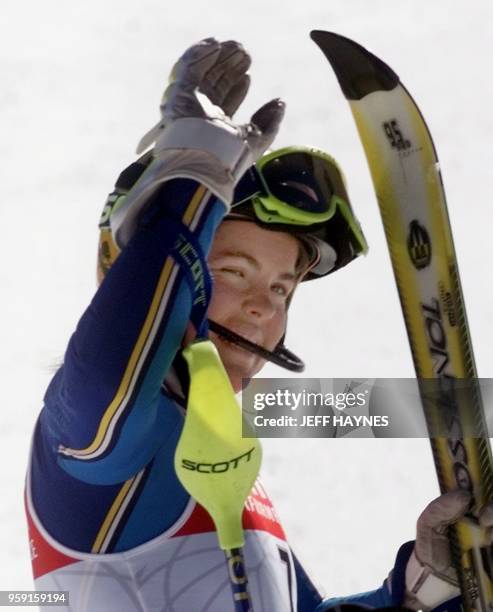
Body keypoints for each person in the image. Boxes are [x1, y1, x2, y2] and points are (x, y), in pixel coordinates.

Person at [25, 37, 486, 612]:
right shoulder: (93, 435)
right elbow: (110, 374)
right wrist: (196, 169)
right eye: (233, 272)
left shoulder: (225, 467)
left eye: (281, 288)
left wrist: (421, 592)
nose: (264, 308)